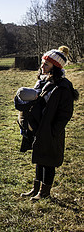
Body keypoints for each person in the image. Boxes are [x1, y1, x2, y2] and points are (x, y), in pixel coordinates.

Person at [18, 46, 79, 201]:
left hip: (51, 131)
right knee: (40, 158)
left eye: (46, 64)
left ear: (56, 67)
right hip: (40, 128)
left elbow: (65, 114)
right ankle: (36, 189)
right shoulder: (43, 82)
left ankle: (45, 193)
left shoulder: (63, 87)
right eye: (42, 63)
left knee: (49, 161)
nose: (42, 67)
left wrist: (53, 130)